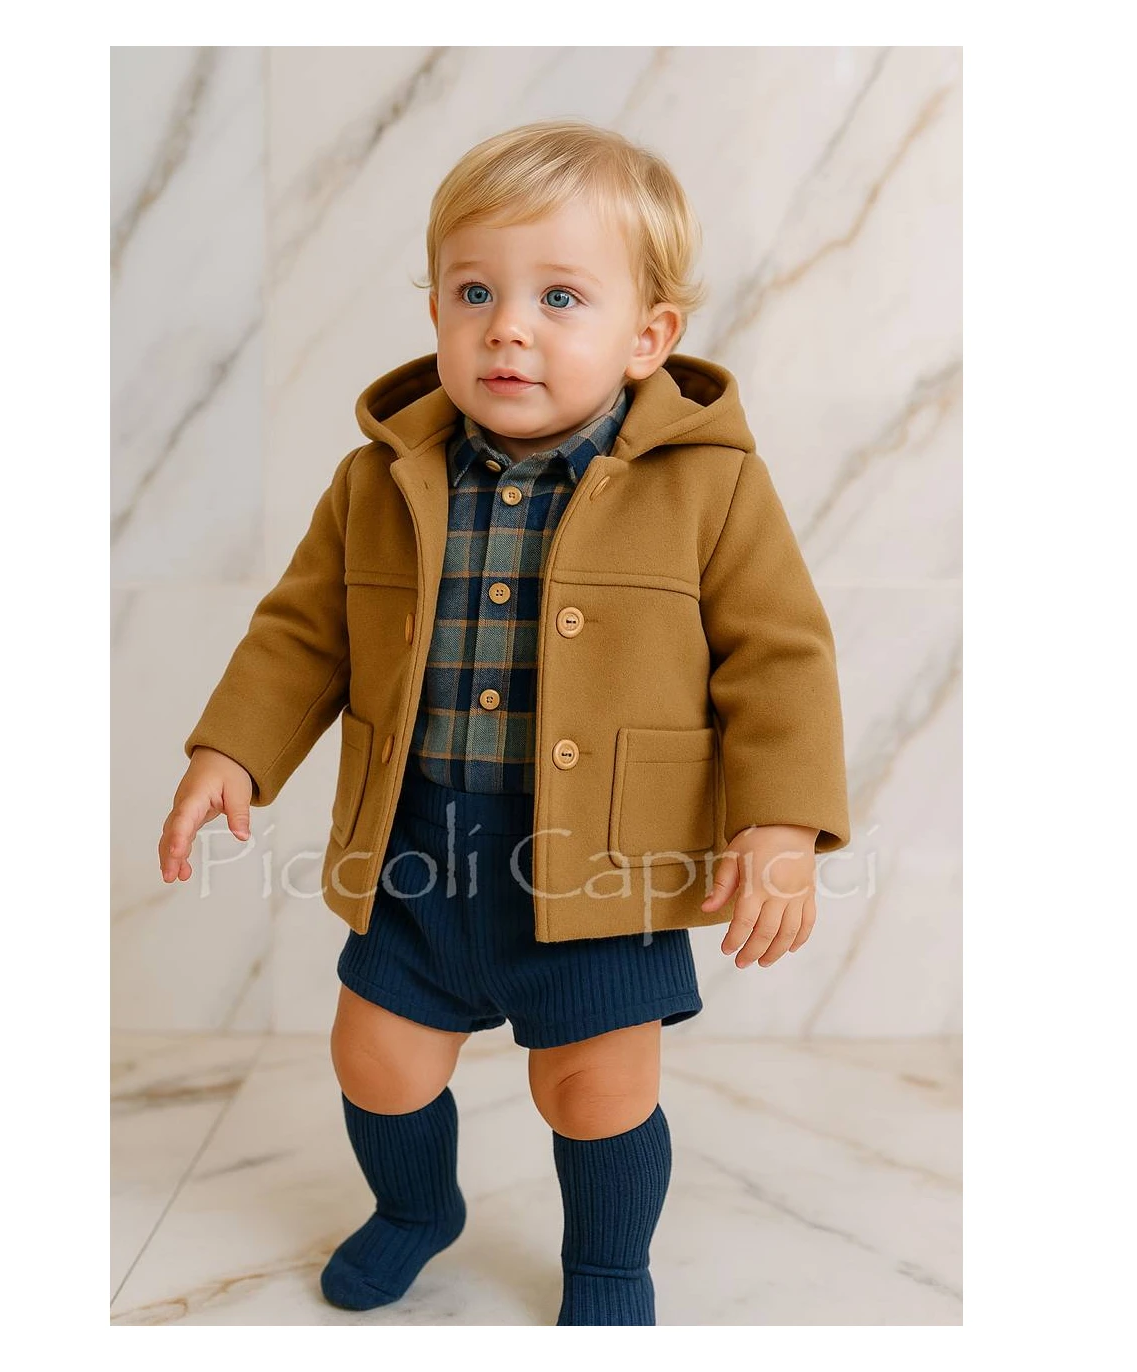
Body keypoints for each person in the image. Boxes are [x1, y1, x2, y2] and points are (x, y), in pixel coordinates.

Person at [157, 118, 850, 1326]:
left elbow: (780, 657)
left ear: (649, 337)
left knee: (596, 1085)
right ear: (435, 309)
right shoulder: (380, 479)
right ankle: (416, 1208)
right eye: (474, 291)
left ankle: (609, 1264)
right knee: (375, 1056)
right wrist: (233, 749)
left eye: (560, 297)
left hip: (605, 858)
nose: (507, 327)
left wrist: (782, 824)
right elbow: (304, 631)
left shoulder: (711, 485)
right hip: (422, 847)